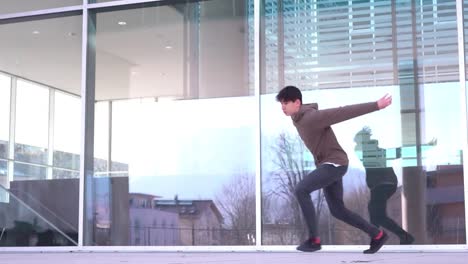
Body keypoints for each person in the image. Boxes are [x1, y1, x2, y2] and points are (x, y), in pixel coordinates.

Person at [276, 86, 391, 254]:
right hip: (330, 165)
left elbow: (342, 112)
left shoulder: (311, 117)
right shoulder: (297, 119)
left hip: (334, 163)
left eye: (285, 103)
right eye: (281, 104)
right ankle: (377, 234)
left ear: (297, 102)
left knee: (301, 189)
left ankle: (314, 240)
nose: (282, 107)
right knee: (337, 210)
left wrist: (376, 105)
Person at [354, 128, 415, 245]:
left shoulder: (369, 150)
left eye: (358, 142)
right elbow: (398, 152)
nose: (357, 145)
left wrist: (424, 147)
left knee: (376, 214)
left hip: (382, 185)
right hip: (384, 185)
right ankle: (398, 237)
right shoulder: (372, 150)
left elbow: (400, 152)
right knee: (376, 214)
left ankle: (383, 239)